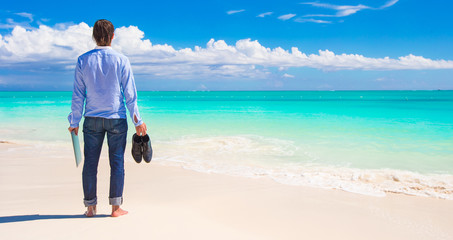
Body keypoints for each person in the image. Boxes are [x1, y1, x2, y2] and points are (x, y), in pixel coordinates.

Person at [68, 19, 147, 217]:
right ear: (113, 36)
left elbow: (78, 95)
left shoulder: (82, 60)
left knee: (90, 163)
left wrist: (74, 122)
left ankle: (90, 207)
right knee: (117, 162)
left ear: (94, 37)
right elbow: (130, 94)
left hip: (92, 119)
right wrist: (137, 121)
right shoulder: (121, 60)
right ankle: (115, 208)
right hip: (116, 119)